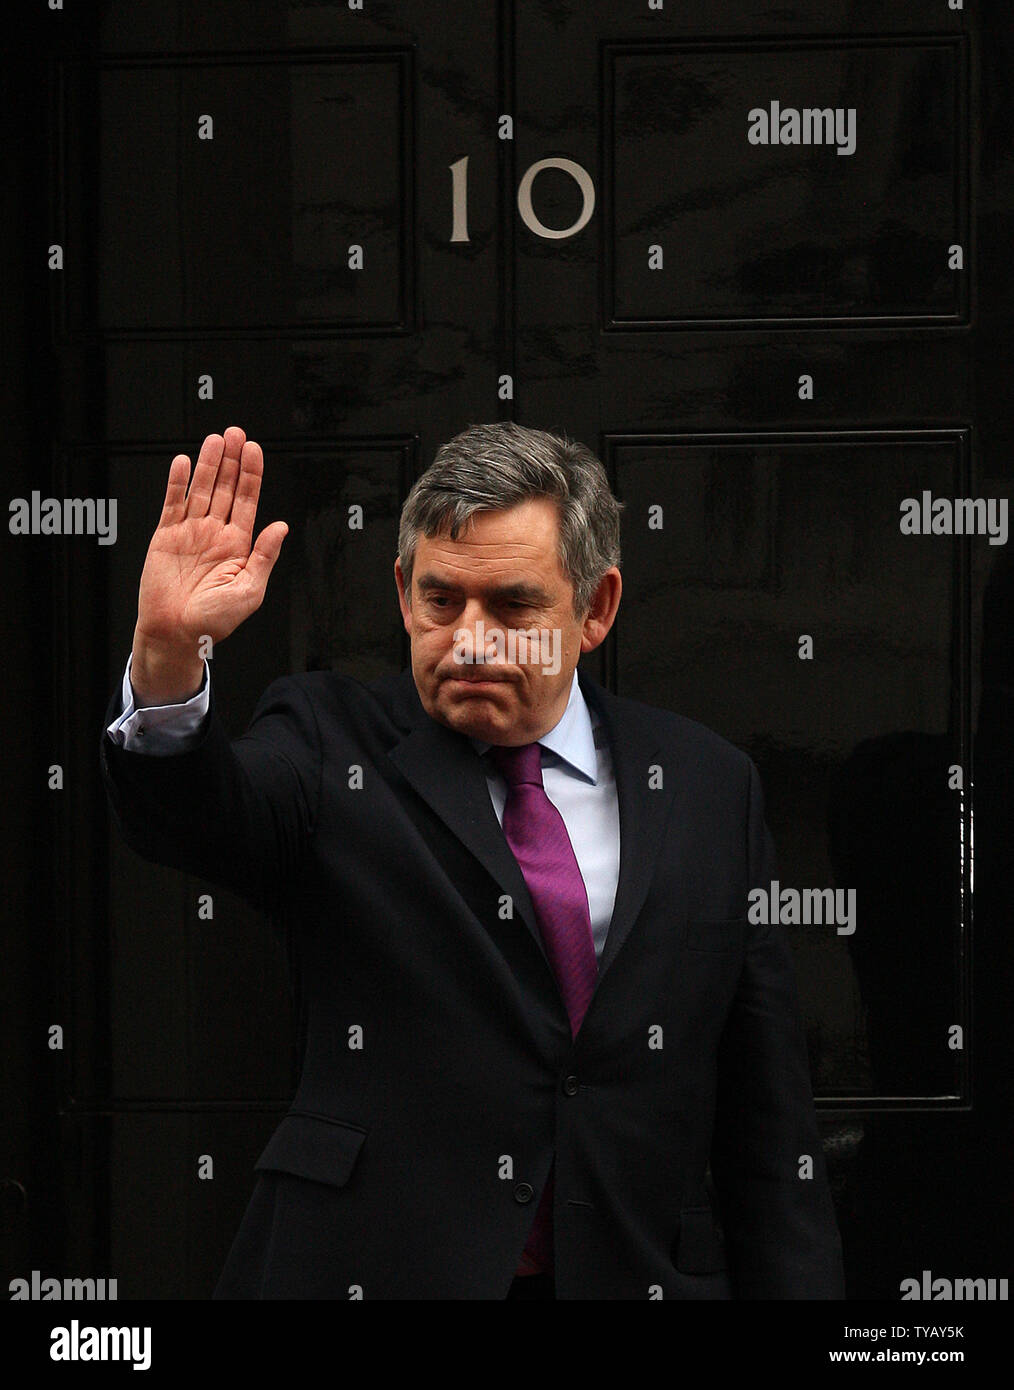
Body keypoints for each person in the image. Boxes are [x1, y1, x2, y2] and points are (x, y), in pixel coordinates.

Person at [99, 421, 845, 1300]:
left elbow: (768, 1115)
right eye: (441, 600)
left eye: (515, 607)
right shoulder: (326, 738)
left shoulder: (710, 785)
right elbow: (192, 817)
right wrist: (166, 658)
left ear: (596, 609)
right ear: (403, 594)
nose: (472, 639)